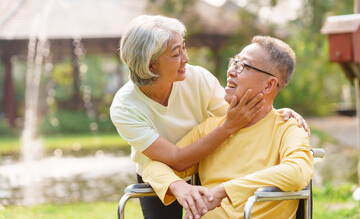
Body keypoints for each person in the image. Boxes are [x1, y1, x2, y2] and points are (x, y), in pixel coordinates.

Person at [110, 15, 309, 219]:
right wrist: (179, 186)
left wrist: (222, 191)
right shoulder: (125, 107)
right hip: (170, 172)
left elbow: (294, 169)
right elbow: (164, 162)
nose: (231, 71)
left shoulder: (287, 129)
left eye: (243, 66)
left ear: (269, 85)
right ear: (152, 66)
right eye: (234, 62)